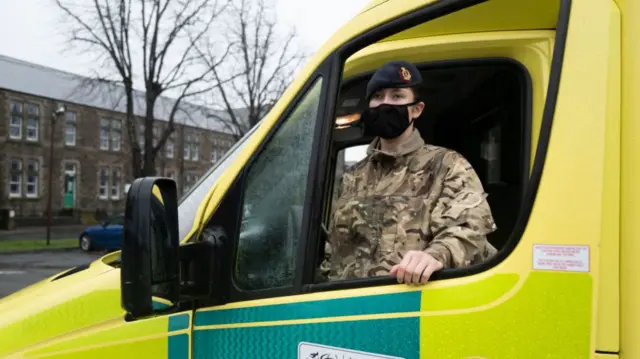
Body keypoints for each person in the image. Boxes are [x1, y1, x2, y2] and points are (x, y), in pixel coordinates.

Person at [323, 60, 498, 285]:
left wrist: (435, 256)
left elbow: (471, 228)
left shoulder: (446, 165)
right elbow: (334, 248)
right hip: (351, 306)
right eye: (378, 96)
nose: (385, 103)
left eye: (397, 96)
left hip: (413, 302)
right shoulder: (353, 176)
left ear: (416, 109)